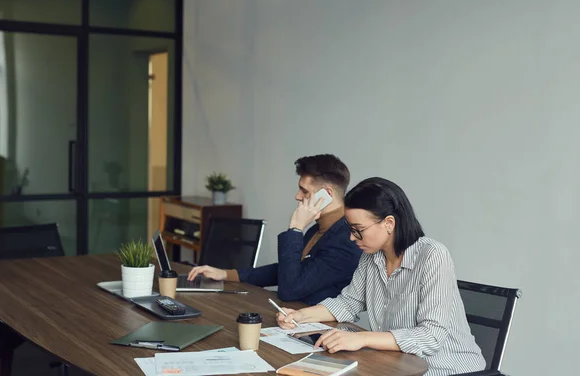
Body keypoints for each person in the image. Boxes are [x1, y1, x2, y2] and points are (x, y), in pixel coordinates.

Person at [275, 177, 486, 376]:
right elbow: (348, 303)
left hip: (448, 369)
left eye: (358, 229)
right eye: (350, 229)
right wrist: (300, 316)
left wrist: (361, 338)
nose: (351, 237)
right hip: (399, 365)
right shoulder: (371, 257)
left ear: (389, 223)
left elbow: (430, 336)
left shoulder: (432, 255)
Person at [188, 154, 362, 304]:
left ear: (327, 194)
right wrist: (226, 274)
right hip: (294, 320)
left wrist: (295, 228)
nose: (297, 196)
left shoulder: (346, 240)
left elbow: (290, 289)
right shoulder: (319, 229)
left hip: (319, 334)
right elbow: (289, 269)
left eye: (304, 190)